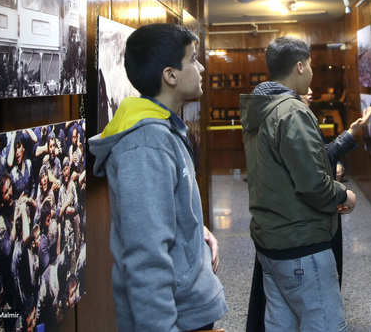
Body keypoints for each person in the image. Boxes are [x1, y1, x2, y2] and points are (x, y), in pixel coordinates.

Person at [89, 23, 227, 332]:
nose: (201, 67)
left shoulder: (163, 129)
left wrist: (197, 233)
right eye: (193, 59)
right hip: (174, 318)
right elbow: (146, 253)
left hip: (188, 307)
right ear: (171, 75)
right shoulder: (147, 143)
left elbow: (162, 211)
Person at [240, 35, 356, 332]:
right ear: (300, 67)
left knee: (281, 325)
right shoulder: (291, 111)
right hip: (300, 244)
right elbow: (313, 186)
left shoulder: (261, 108)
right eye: (312, 66)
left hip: (271, 243)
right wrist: (345, 194)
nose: (314, 73)